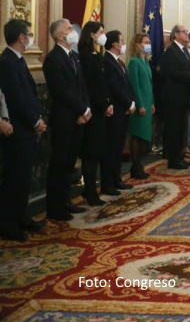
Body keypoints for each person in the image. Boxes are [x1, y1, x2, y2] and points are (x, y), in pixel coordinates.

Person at [0, 19, 46, 240]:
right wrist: (34, 122)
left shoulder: (17, 60)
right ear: (21, 37)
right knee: (15, 178)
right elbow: (16, 98)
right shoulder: (7, 62)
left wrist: (37, 118)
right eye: (29, 34)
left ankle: (22, 217)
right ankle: (10, 224)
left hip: (26, 128)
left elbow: (28, 95)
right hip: (17, 130)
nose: (31, 38)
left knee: (24, 177)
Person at [43, 19, 90, 220]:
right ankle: (55, 207)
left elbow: (82, 86)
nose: (74, 31)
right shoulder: (53, 59)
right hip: (64, 118)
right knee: (59, 164)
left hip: (78, 117)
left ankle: (66, 200)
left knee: (69, 163)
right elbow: (61, 91)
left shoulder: (74, 56)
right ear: (60, 36)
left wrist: (86, 109)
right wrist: (80, 109)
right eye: (69, 28)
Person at [78, 21, 114, 203]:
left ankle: (97, 187)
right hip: (93, 111)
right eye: (101, 32)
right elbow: (90, 86)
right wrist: (102, 105)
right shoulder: (84, 57)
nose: (103, 35)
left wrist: (108, 103)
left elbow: (103, 83)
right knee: (91, 153)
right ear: (92, 35)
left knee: (100, 150)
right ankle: (90, 191)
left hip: (103, 110)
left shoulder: (97, 56)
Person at [159, 25, 190, 170]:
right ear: (176, 34)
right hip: (174, 97)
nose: (186, 34)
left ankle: (180, 156)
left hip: (183, 96)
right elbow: (172, 73)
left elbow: (186, 69)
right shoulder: (171, 51)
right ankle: (173, 159)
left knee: (182, 128)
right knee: (174, 129)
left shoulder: (182, 50)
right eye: (184, 32)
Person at [103, 31, 136, 192]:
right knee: (112, 148)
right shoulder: (107, 62)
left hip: (124, 110)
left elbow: (126, 85)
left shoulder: (120, 63)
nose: (123, 44)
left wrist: (132, 102)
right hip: (115, 111)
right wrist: (128, 103)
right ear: (115, 45)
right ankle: (109, 182)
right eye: (122, 41)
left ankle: (117, 179)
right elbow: (115, 88)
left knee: (119, 147)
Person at [127, 33, 154, 179]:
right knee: (137, 136)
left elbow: (149, 84)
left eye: (149, 42)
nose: (148, 44)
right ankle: (136, 167)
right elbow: (135, 86)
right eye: (145, 42)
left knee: (144, 137)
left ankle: (139, 165)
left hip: (148, 102)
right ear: (138, 44)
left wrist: (152, 102)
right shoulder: (134, 62)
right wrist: (140, 104)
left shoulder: (145, 61)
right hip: (140, 105)